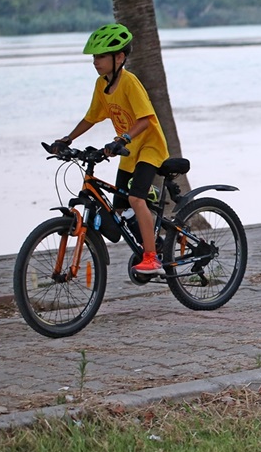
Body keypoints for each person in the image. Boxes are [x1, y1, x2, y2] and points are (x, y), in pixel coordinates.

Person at [49, 23, 171, 273]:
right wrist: (68, 140)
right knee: (119, 209)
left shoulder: (130, 82)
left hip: (149, 146)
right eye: (94, 56)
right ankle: (154, 234)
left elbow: (146, 119)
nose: (96, 61)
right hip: (128, 153)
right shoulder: (101, 84)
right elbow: (91, 117)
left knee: (135, 198)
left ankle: (152, 257)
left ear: (120, 57)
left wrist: (122, 139)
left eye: (101, 56)